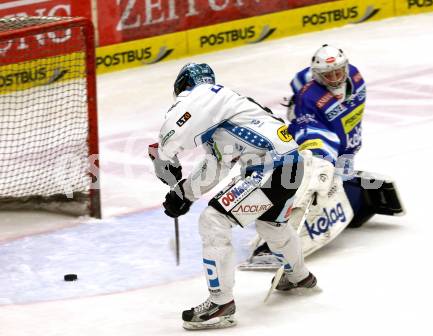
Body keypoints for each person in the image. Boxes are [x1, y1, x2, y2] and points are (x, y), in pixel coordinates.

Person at [148, 63, 336, 330]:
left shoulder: (205, 93)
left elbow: (173, 129)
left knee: (213, 221)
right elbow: (216, 165)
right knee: (272, 226)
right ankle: (299, 277)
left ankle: (221, 304)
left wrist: (163, 155)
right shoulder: (227, 113)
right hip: (288, 166)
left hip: (273, 169)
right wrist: (184, 194)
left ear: (183, 86)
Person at [242, 45, 404, 270]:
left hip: (346, 150)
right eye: (328, 74)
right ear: (318, 76)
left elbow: (299, 79)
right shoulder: (311, 101)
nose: (335, 78)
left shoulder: (354, 75)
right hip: (318, 142)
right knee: (313, 183)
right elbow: (310, 133)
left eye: (338, 71)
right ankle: (270, 245)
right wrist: (319, 158)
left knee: (343, 195)